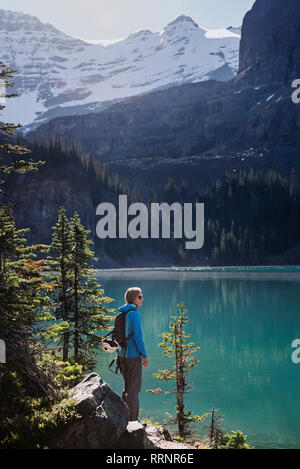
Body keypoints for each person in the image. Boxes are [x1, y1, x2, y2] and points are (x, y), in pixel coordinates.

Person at [116, 286, 148, 422]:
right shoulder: (134, 314)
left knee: (127, 388)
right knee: (134, 390)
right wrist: (144, 355)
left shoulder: (120, 314)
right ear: (134, 299)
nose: (142, 299)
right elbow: (138, 338)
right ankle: (133, 421)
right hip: (133, 358)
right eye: (140, 296)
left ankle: (123, 416)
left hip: (121, 356)